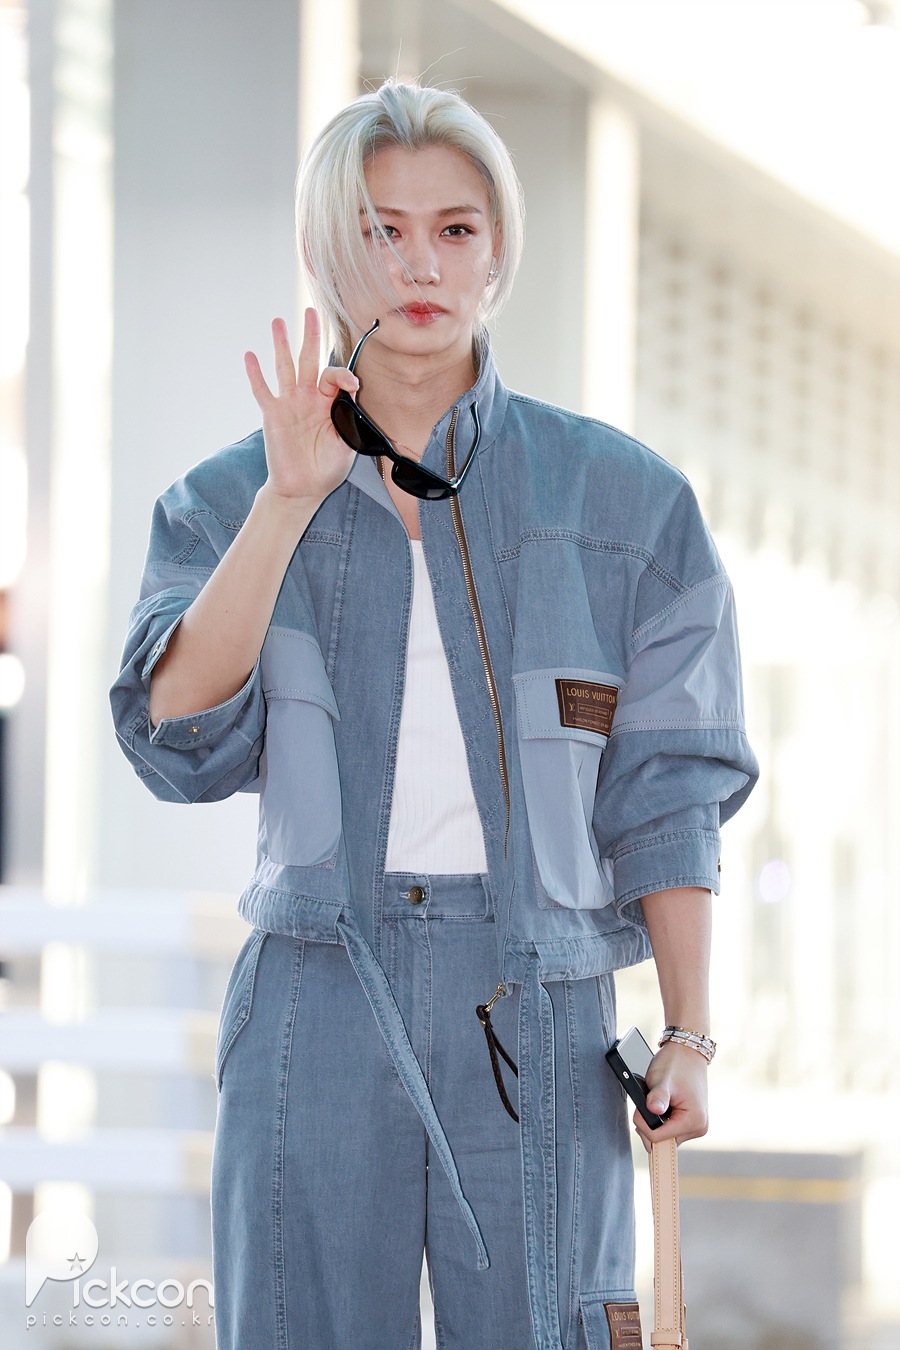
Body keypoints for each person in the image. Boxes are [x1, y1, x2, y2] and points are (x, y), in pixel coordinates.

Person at [110, 79, 758, 1350]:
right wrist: (287, 502)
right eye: (383, 229)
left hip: (540, 995)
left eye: (455, 229)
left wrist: (688, 1030)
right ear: (327, 247)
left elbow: (670, 790)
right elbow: (172, 733)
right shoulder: (226, 496)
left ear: (497, 248)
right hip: (317, 983)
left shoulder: (625, 503)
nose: (420, 264)